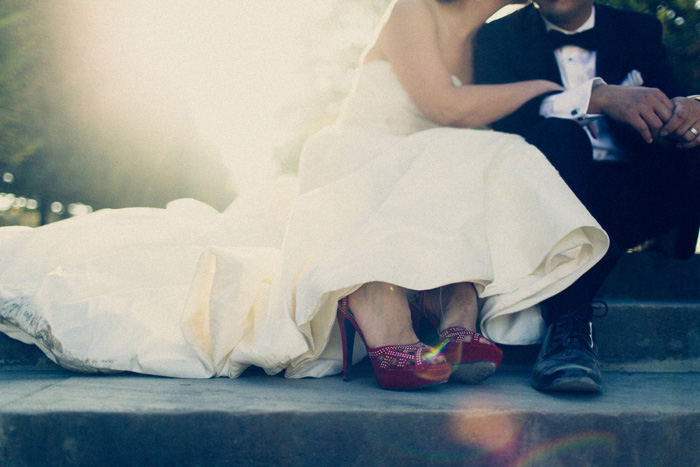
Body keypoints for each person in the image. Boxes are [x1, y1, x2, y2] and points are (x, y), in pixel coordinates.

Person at [0, 0, 609, 390]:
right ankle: (383, 300)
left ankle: (457, 316)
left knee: (481, 159)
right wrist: (542, 85)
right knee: (465, 152)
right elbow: (446, 108)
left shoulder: (502, 39)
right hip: (356, 157)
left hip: (423, 176)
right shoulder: (411, 11)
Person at [473, 0, 700, 392]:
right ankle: (569, 331)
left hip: (630, 191)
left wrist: (689, 110)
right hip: (550, 195)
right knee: (560, 136)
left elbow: (674, 98)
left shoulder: (639, 29)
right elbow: (505, 118)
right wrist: (599, 98)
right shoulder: (496, 36)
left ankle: (656, 245)